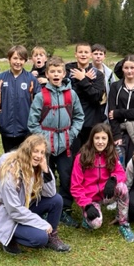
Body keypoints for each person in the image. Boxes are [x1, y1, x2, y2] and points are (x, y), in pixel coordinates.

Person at [0, 134, 71, 255]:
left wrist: (45, 169)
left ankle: (52, 236)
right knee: (40, 239)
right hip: (8, 215)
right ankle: (6, 237)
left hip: (25, 207)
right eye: (35, 151)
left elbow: (51, 193)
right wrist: (42, 223)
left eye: (42, 153)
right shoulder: (10, 171)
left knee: (56, 200)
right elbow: (14, 210)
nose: (39, 156)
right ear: (27, 150)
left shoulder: (35, 166)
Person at [28, 56, 85, 227]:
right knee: (43, 177)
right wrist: (43, 140)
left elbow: (79, 117)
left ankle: (65, 209)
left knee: (67, 177)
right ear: (47, 74)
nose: (56, 74)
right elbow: (32, 122)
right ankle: (43, 208)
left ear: (64, 73)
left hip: (66, 144)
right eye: (52, 71)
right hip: (45, 147)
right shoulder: (41, 96)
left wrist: (72, 133)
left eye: (59, 71)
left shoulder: (71, 94)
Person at [70, 124, 134, 242]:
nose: (100, 142)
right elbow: (75, 186)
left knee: (122, 187)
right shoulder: (81, 157)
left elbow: (121, 173)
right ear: (92, 139)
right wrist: (87, 205)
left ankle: (123, 223)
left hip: (107, 194)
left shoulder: (112, 154)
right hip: (90, 199)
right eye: (97, 138)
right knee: (96, 224)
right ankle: (87, 217)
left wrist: (113, 179)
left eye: (103, 138)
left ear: (108, 140)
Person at [0, 45, 41, 153]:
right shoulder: (1, 78)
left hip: (26, 128)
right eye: (15, 58)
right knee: (9, 158)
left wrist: (34, 120)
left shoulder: (31, 79)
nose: (18, 62)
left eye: (21, 59)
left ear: (26, 61)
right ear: (9, 59)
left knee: (25, 158)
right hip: (6, 128)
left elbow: (39, 101)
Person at [107, 55, 134, 166]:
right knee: (118, 163)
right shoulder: (115, 86)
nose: (129, 71)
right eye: (126, 68)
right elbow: (111, 113)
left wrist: (119, 113)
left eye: (132, 67)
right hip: (118, 130)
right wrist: (116, 135)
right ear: (122, 69)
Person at [66, 42, 106, 149]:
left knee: (90, 155)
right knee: (74, 155)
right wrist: (86, 81)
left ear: (90, 55)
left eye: (86, 52)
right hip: (72, 121)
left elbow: (97, 97)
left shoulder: (98, 74)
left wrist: (83, 80)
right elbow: (68, 95)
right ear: (75, 54)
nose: (83, 55)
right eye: (80, 52)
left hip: (91, 122)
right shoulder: (68, 72)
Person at [91, 43, 116, 116]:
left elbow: (113, 90)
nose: (98, 56)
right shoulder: (87, 71)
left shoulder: (109, 73)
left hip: (104, 105)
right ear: (91, 55)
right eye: (95, 54)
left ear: (104, 56)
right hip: (91, 105)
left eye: (100, 54)